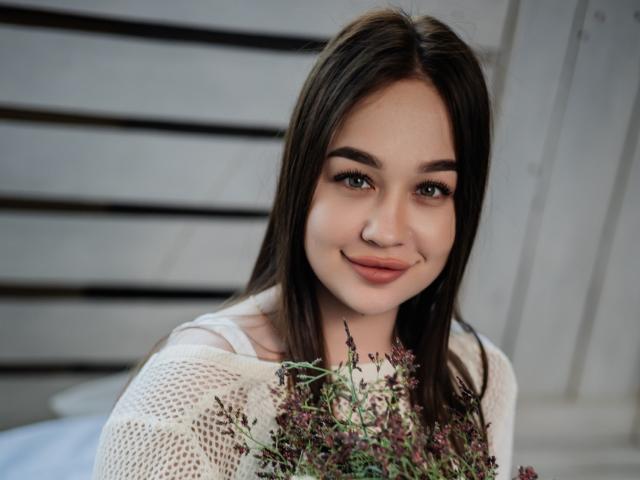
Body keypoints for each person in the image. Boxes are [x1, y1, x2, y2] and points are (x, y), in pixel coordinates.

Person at [91, 7, 517, 480]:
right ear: (303, 180)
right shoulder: (188, 398)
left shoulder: (477, 378)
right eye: (355, 179)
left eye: (431, 189)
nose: (386, 232)